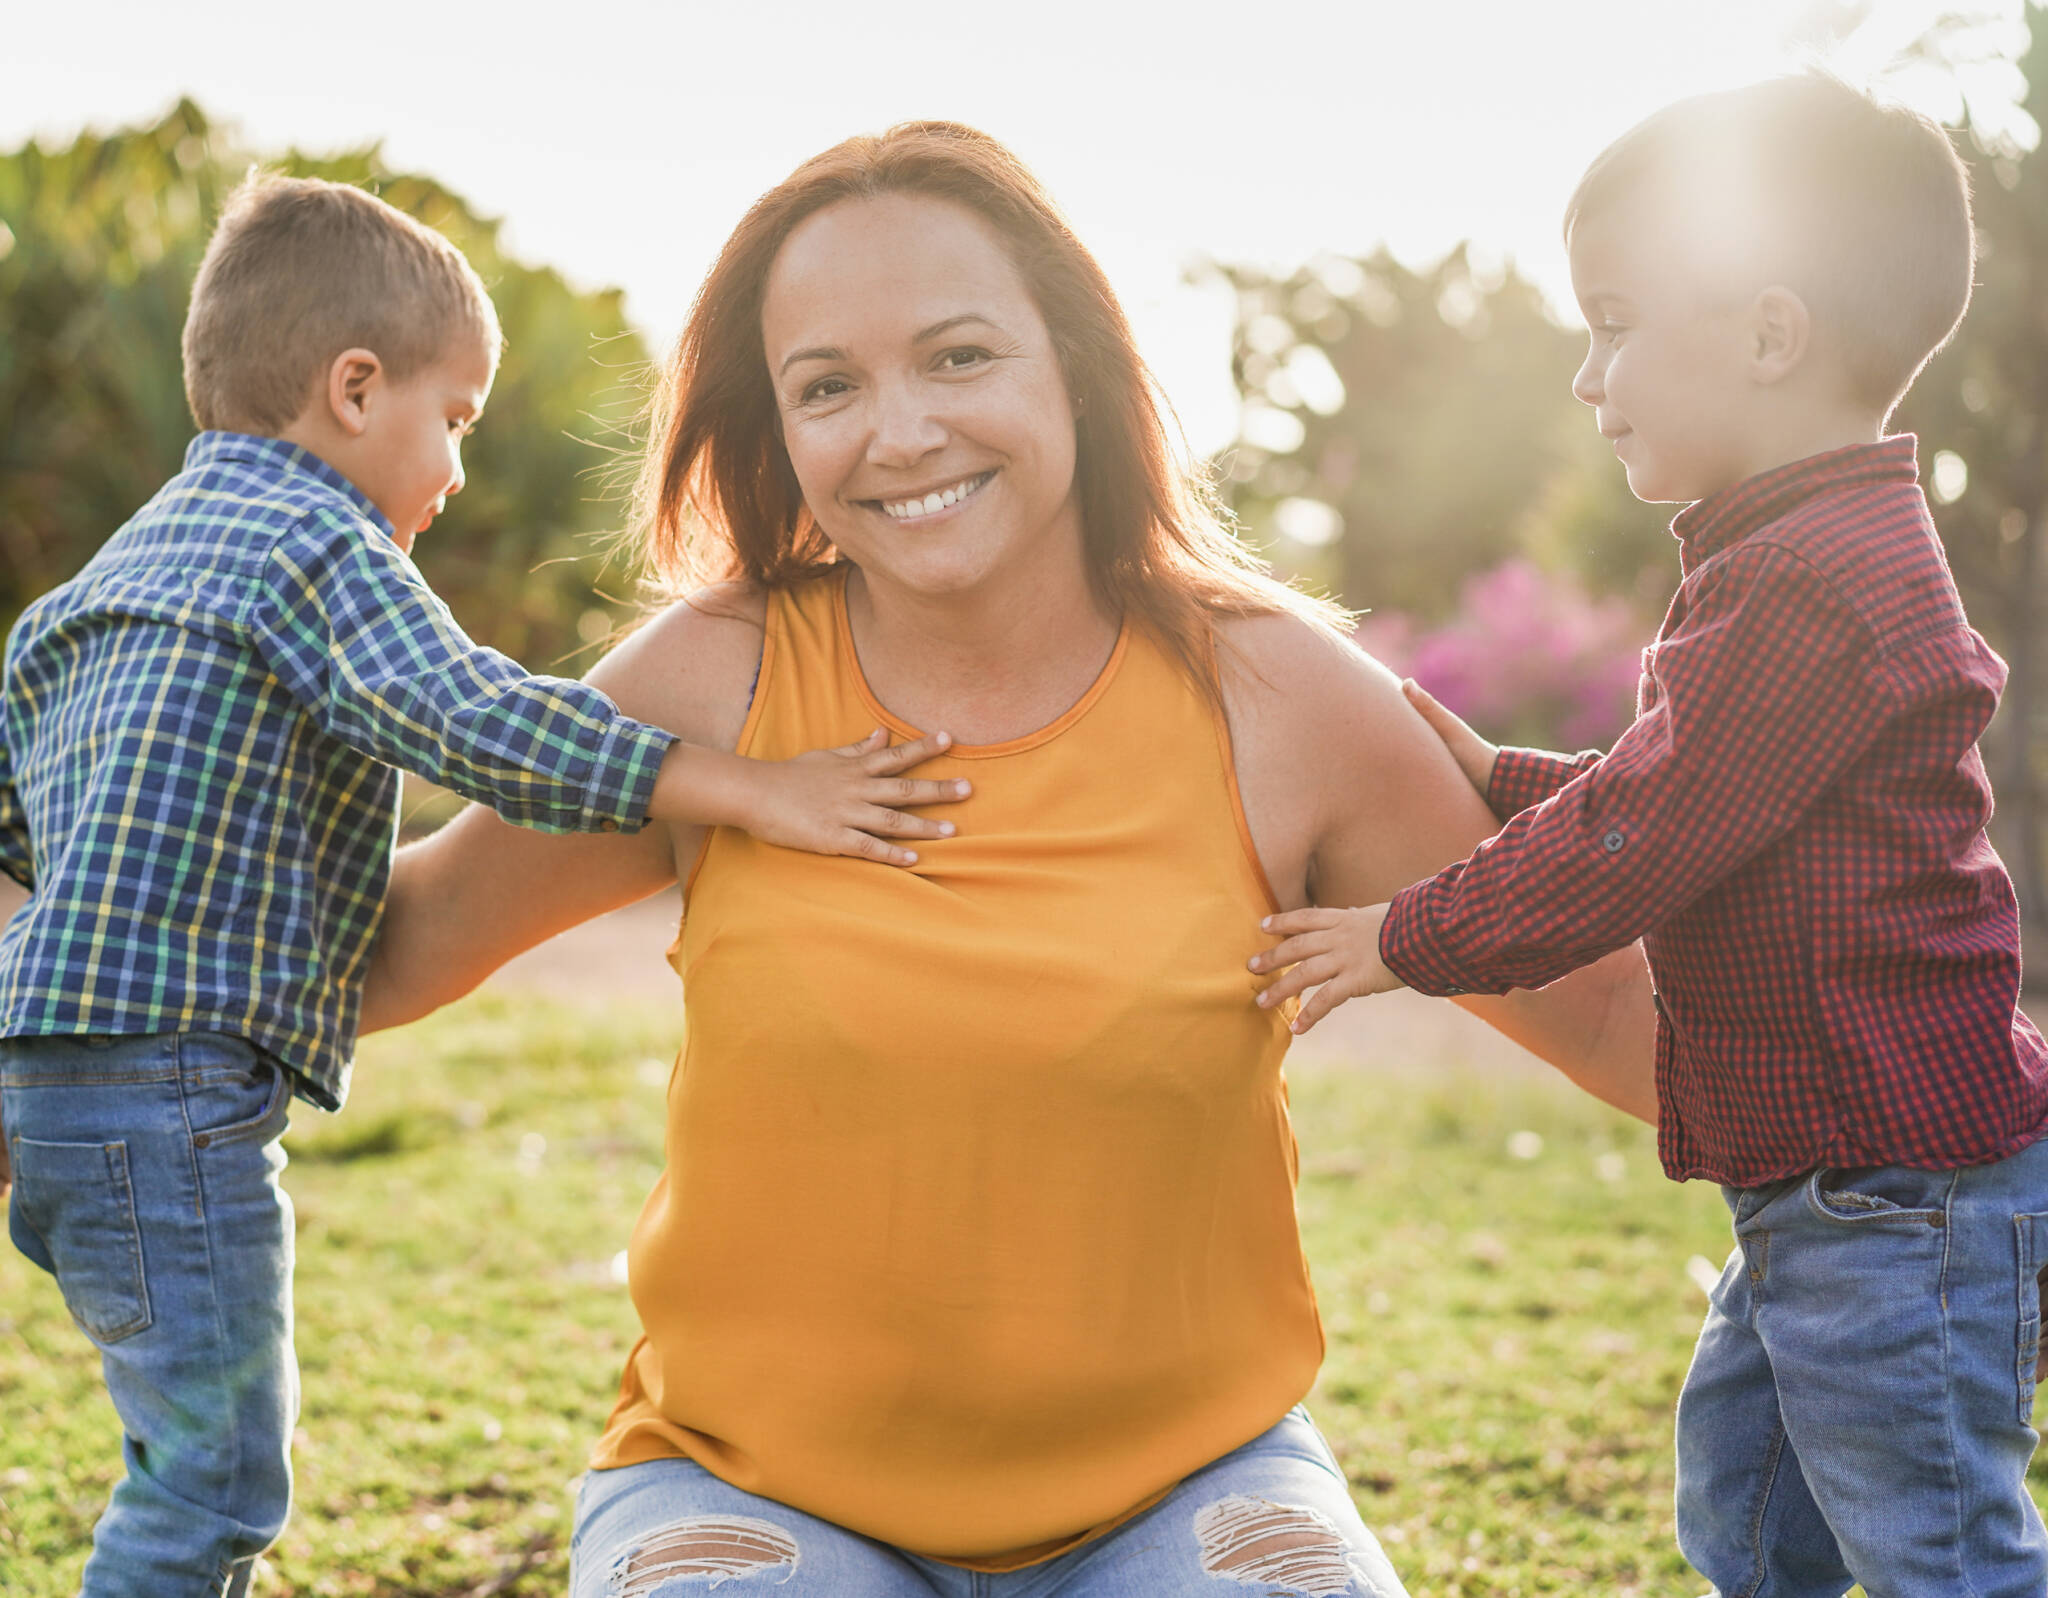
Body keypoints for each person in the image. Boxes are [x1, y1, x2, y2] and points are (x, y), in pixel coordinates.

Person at [361, 122, 1658, 1598]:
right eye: (828, 387)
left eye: (959, 356)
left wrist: (1946, 1128)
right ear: (778, 428)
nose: (898, 431)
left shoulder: (1283, 698)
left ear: (1075, 369)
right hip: (745, 1484)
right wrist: (88, 938)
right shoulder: (709, 682)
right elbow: (408, 940)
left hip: (1188, 1488)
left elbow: (1612, 1016)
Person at [0, 173, 968, 1598]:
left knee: (180, 1450)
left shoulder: (89, 594)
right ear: (351, 388)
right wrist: (754, 783)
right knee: (212, 1485)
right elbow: (479, 718)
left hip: (58, 1091)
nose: (455, 469)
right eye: (450, 419)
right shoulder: (311, 541)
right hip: (177, 1098)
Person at [1253, 73, 2048, 1596]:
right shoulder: (1798, 552)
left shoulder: (1806, 580)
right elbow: (1691, 793)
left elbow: (1652, 829)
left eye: (1612, 320)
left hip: (1893, 1198)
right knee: (1746, 1508)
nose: (1583, 373)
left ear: (1767, 335)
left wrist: (1404, 933)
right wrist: (1503, 778)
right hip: (1830, 1185)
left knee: (1942, 1549)